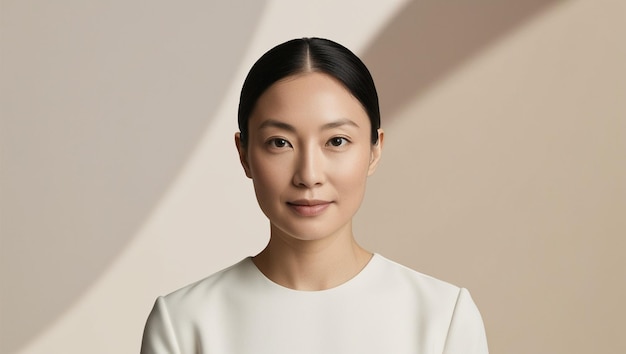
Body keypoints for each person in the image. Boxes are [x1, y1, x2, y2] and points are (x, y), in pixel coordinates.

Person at [140, 37, 489, 354]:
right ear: (244, 153)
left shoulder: (444, 317)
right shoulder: (182, 324)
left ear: (374, 150)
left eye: (336, 141)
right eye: (280, 143)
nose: (308, 175)